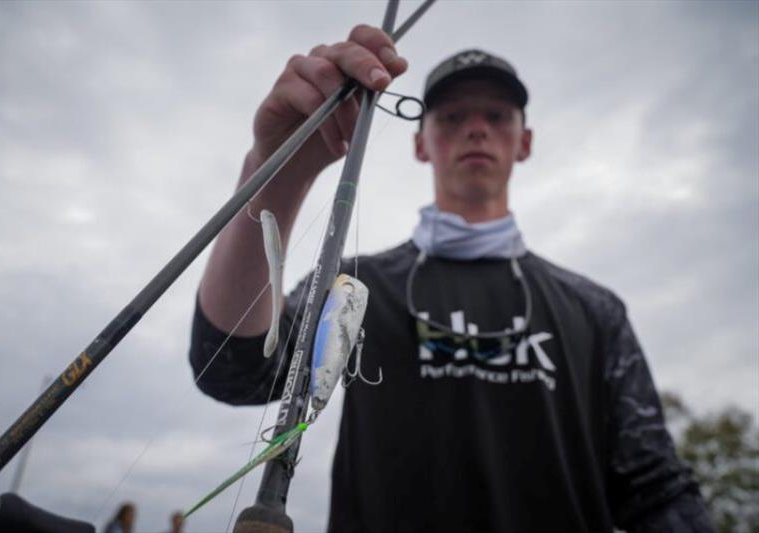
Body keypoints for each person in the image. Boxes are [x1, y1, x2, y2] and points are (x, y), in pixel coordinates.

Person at [190, 25, 714, 532]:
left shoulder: (595, 309)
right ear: (421, 144)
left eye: (495, 115)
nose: (476, 128)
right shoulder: (353, 283)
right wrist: (279, 166)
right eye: (453, 116)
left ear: (524, 141)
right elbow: (234, 370)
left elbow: (655, 489)